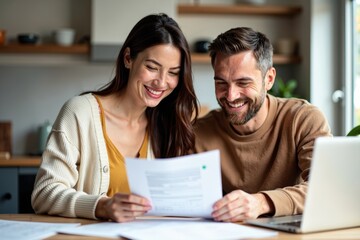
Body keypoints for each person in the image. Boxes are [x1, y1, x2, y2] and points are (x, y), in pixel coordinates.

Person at [31, 13, 199, 223]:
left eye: (173, 72)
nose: (162, 82)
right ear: (128, 58)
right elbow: (43, 194)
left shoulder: (168, 124)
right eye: (152, 68)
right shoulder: (80, 112)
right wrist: (102, 206)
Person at [194, 27, 332, 222]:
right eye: (221, 83)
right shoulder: (199, 132)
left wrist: (260, 203)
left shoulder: (303, 119)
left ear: (269, 79)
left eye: (243, 83)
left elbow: (325, 187)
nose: (231, 96)